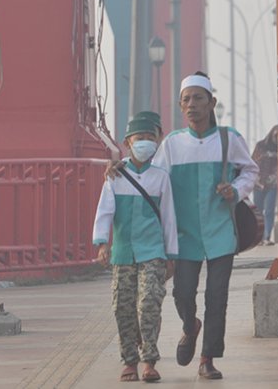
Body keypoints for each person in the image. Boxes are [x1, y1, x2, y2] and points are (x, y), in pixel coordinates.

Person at [152, 71, 258, 380]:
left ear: (212, 102)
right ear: (180, 105)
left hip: (220, 230)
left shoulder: (229, 138)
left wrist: (235, 190)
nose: (192, 105)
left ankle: (208, 357)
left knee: (217, 296)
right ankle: (190, 326)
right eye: (186, 100)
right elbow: (153, 182)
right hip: (185, 234)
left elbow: (249, 171)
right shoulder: (172, 144)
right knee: (183, 293)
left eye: (199, 98)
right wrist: (121, 172)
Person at [93, 116, 179, 383]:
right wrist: (102, 243)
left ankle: (149, 360)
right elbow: (105, 211)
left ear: (158, 141)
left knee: (149, 303)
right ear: (127, 143)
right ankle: (129, 360)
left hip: (153, 252)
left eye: (150, 138)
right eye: (139, 138)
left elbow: (168, 217)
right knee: (123, 306)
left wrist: (171, 255)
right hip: (123, 252)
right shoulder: (116, 175)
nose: (144, 143)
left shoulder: (161, 177)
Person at [252, 125, 278, 245]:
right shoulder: (261, 146)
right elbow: (252, 162)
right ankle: (259, 238)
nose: (277, 138)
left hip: (273, 184)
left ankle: (267, 237)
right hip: (258, 182)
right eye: (276, 135)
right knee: (258, 211)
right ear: (271, 133)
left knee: (269, 210)